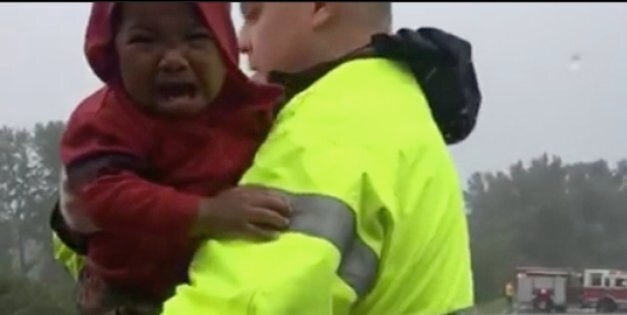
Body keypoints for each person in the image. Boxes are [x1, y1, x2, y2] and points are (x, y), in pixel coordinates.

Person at [161, 2, 481, 315]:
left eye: (254, 15)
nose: (242, 42)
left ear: (319, 7)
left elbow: (249, 304)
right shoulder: (401, 110)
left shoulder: (331, 126)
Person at [50, 2, 293, 314]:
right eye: (144, 41)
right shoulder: (104, 121)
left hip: (217, 281)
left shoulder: (250, 108)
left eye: (195, 38)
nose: (173, 60)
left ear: (225, 48)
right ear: (112, 53)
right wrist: (209, 213)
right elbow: (106, 197)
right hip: (128, 294)